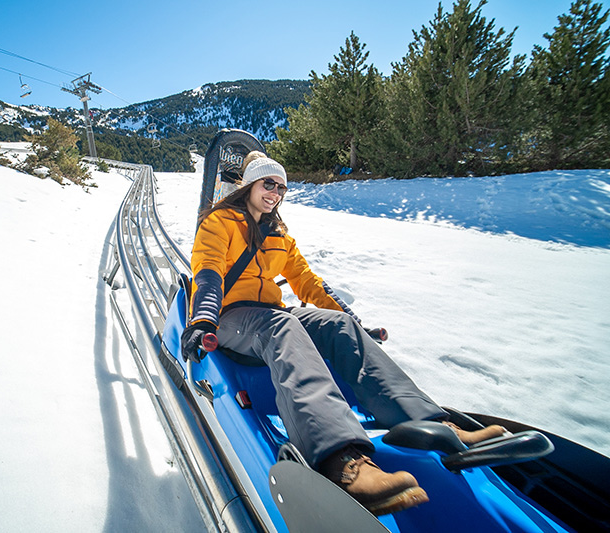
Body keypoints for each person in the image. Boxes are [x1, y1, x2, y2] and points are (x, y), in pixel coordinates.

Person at [181, 153, 506, 516]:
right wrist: (203, 320)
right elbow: (207, 272)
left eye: (282, 187)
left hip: (269, 314)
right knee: (283, 325)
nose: (275, 192)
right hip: (229, 316)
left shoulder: (279, 236)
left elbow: (307, 282)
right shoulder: (220, 222)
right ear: (249, 186)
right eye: (267, 184)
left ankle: (428, 423)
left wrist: (354, 321)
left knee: (337, 326)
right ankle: (340, 461)